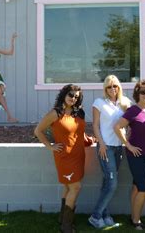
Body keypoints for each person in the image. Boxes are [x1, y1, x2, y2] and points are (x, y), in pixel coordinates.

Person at [34, 84, 94, 233]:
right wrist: (50, 146)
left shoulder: (79, 113)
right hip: (64, 157)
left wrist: (89, 140)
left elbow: (79, 132)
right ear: (64, 95)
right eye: (71, 95)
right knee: (76, 187)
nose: (73, 98)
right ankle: (66, 226)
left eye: (76, 97)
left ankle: (62, 217)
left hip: (79, 155)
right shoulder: (56, 113)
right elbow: (38, 131)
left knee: (68, 187)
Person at [88, 75, 132, 229]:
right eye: (109, 87)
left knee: (107, 181)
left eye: (115, 86)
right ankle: (95, 216)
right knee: (112, 183)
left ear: (119, 87)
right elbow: (95, 125)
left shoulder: (125, 103)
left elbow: (130, 123)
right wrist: (101, 144)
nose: (113, 89)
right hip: (106, 148)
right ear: (105, 89)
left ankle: (105, 215)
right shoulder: (99, 103)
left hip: (119, 147)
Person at [114, 80, 145, 230]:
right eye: (143, 92)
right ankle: (136, 221)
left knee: (136, 187)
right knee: (144, 188)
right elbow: (118, 126)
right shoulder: (133, 110)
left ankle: (133, 217)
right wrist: (128, 145)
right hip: (136, 155)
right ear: (137, 94)